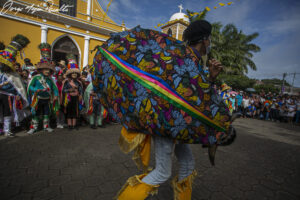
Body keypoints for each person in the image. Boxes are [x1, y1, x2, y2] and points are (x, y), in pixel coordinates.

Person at [103, 20, 231, 200]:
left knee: (187, 163)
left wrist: (210, 77)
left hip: (178, 127)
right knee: (163, 172)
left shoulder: (189, 59)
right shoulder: (187, 59)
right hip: (167, 126)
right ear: (204, 39)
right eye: (209, 39)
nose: (210, 43)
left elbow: (195, 98)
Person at [0, 34, 30, 137]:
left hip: (9, 96)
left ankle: (7, 130)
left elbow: (18, 86)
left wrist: (18, 94)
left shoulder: (14, 75)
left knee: (7, 113)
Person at [27, 43, 59, 134]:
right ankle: (34, 127)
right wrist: (35, 90)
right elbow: (30, 87)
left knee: (46, 113)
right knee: (35, 113)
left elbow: (55, 89)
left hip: (47, 99)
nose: (47, 71)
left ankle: (46, 126)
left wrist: (56, 95)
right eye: (45, 69)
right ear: (41, 70)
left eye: (49, 70)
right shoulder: (36, 78)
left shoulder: (50, 80)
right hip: (37, 98)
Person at [61, 54, 83, 130]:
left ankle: (74, 125)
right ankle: (70, 125)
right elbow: (63, 90)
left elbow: (81, 91)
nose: (74, 74)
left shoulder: (79, 82)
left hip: (76, 98)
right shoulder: (66, 82)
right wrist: (69, 90)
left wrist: (80, 95)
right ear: (70, 74)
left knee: (75, 112)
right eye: (73, 73)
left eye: (75, 73)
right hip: (69, 99)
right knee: (69, 112)